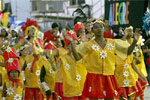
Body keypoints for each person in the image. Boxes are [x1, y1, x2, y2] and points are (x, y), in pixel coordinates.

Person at [72, 19, 141, 100]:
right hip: (94, 77)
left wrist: (134, 41)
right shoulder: (88, 44)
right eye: (96, 27)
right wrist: (71, 44)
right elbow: (77, 57)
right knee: (94, 97)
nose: (99, 29)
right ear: (92, 30)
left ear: (104, 28)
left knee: (110, 98)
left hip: (109, 77)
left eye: (101, 27)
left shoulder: (113, 42)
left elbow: (127, 52)